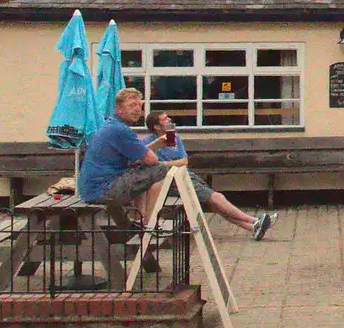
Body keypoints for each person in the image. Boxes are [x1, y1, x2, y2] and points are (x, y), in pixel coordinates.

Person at [80, 89, 274, 241]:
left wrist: (157, 146)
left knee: (211, 201)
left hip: (101, 187)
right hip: (120, 187)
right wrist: (156, 153)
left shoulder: (166, 137)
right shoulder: (122, 131)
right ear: (119, 109)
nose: (137, 108)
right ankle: (149, 223)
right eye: (132, 105)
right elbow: (151, 161)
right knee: (208, 196)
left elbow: (178, 160)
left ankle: (253, 225)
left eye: (140, 104)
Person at [145, 112, 277, 241]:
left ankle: (253, 227)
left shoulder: (173, 136)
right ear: (156, 126)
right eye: (165, 119)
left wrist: (163, 163)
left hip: (187, 175)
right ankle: (255, 220)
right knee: (216, 198)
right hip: (173, 181)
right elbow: (144, 159)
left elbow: (184, 161)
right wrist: (163, 159)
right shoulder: (150, 142)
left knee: (214, 204)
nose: (169, 120)